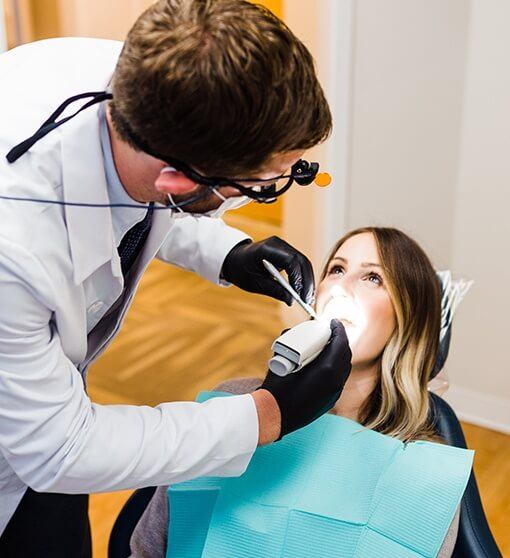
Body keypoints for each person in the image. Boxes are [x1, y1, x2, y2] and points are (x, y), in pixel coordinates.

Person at [0, 1, 353, 556]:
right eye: (259, 187)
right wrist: (265, 415)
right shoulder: (13, 247)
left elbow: (136, 199)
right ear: (181, 176)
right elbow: (56, 449)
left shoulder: (140, 86)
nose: (259, 195)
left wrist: (230, 251)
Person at [131, 227, 464, 558]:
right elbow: (147, 549)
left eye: (373, 278)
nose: (341, 288)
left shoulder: (423, 472)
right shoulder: (233, 403)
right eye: (336, 269)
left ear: (407, 319)